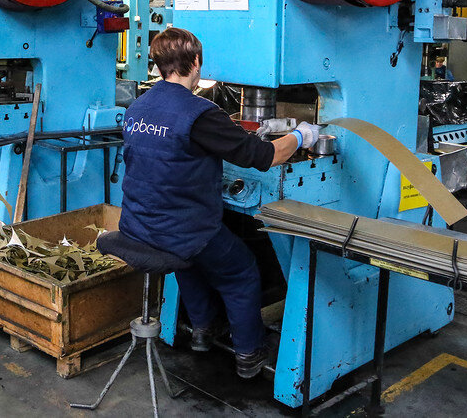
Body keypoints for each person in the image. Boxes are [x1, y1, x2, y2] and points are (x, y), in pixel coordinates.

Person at [119, 27, 318, 379]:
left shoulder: (138, 106)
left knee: (188, 262)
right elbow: (265, 155)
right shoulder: (200, 113)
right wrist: (301, 135)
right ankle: (248, 353)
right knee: (241, 271)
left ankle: (202, 329)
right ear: (196, 61)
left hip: (138, 224)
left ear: (159, 63)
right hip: (182, 229)